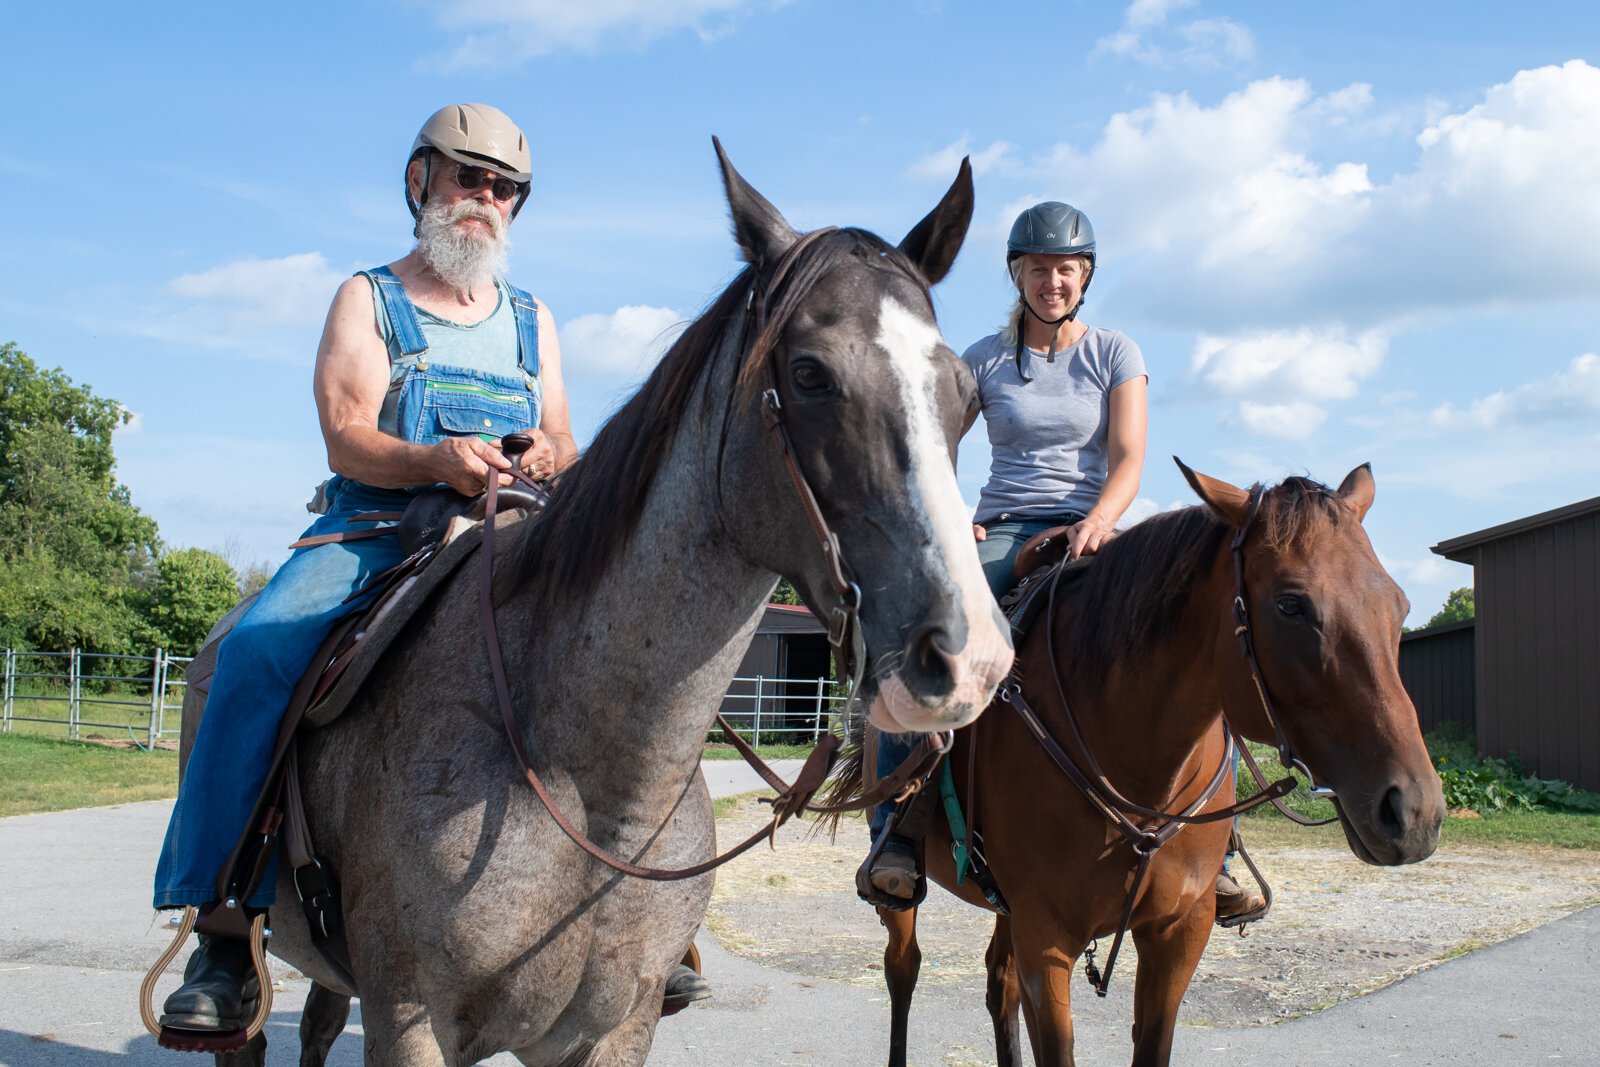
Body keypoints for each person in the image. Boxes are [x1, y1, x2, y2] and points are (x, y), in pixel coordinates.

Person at [151, 104, 705, 1035]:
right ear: (421, 183)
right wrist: (439, 462)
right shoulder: (367, 297)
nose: (484, 200)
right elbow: (346, 434)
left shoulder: (533, 319)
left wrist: (543, 458)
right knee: (247, 655)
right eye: (467, 179)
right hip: (375, 533)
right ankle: (224, 924)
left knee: (634, 645)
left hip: (514, 534)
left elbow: (564, 433)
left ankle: (652, 926)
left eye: (503, 189)